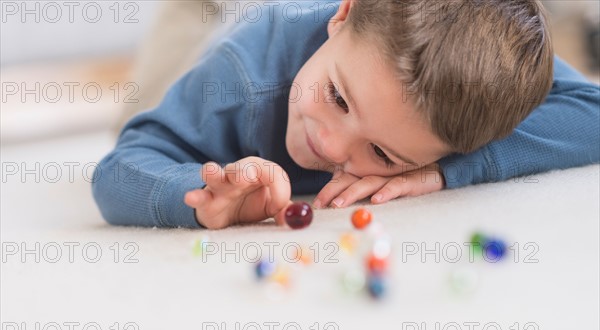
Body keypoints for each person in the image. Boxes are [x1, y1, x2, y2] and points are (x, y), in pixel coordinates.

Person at [92, 0, 600, 229]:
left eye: (382, 152)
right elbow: (120, 168)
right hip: (208, 58)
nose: (332, 148)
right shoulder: (240, 80)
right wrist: (198, 197)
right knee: (150, 92)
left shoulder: (482, 70)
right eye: (338, 97)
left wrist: (447, 170)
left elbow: (591, 111)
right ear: (343, 14)